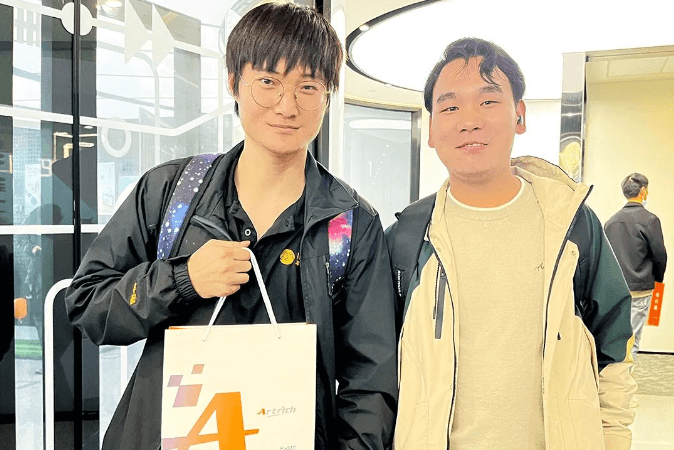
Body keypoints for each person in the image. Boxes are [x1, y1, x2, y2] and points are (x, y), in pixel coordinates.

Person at [64, 4, 397, 449]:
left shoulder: (350, 223)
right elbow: (88, 305)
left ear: (328, 95)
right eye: (268, 82)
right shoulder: (171, 193)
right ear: (233, 82)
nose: (287, 106)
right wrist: (182, 280)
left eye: (308, 86)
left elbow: (370, 383)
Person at [386, 38, 636, 449]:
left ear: (519, 115)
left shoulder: (570, 224)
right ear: (430, 130)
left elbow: (613, 345)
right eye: (450, 107)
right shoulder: (407, 238)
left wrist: (613, 438)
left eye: (488, 101)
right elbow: (377, 373)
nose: (469, 121)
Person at [605, 173, 667, 363]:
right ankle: (625, 378)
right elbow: (660, 255)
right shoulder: (650, 220)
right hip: (640, 289)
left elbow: (606, 257)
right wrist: (657, 279)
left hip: (616, 290)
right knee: (633, 339)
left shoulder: (611, 222)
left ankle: (614, 376)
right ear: (643, 191)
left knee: (616, 338)